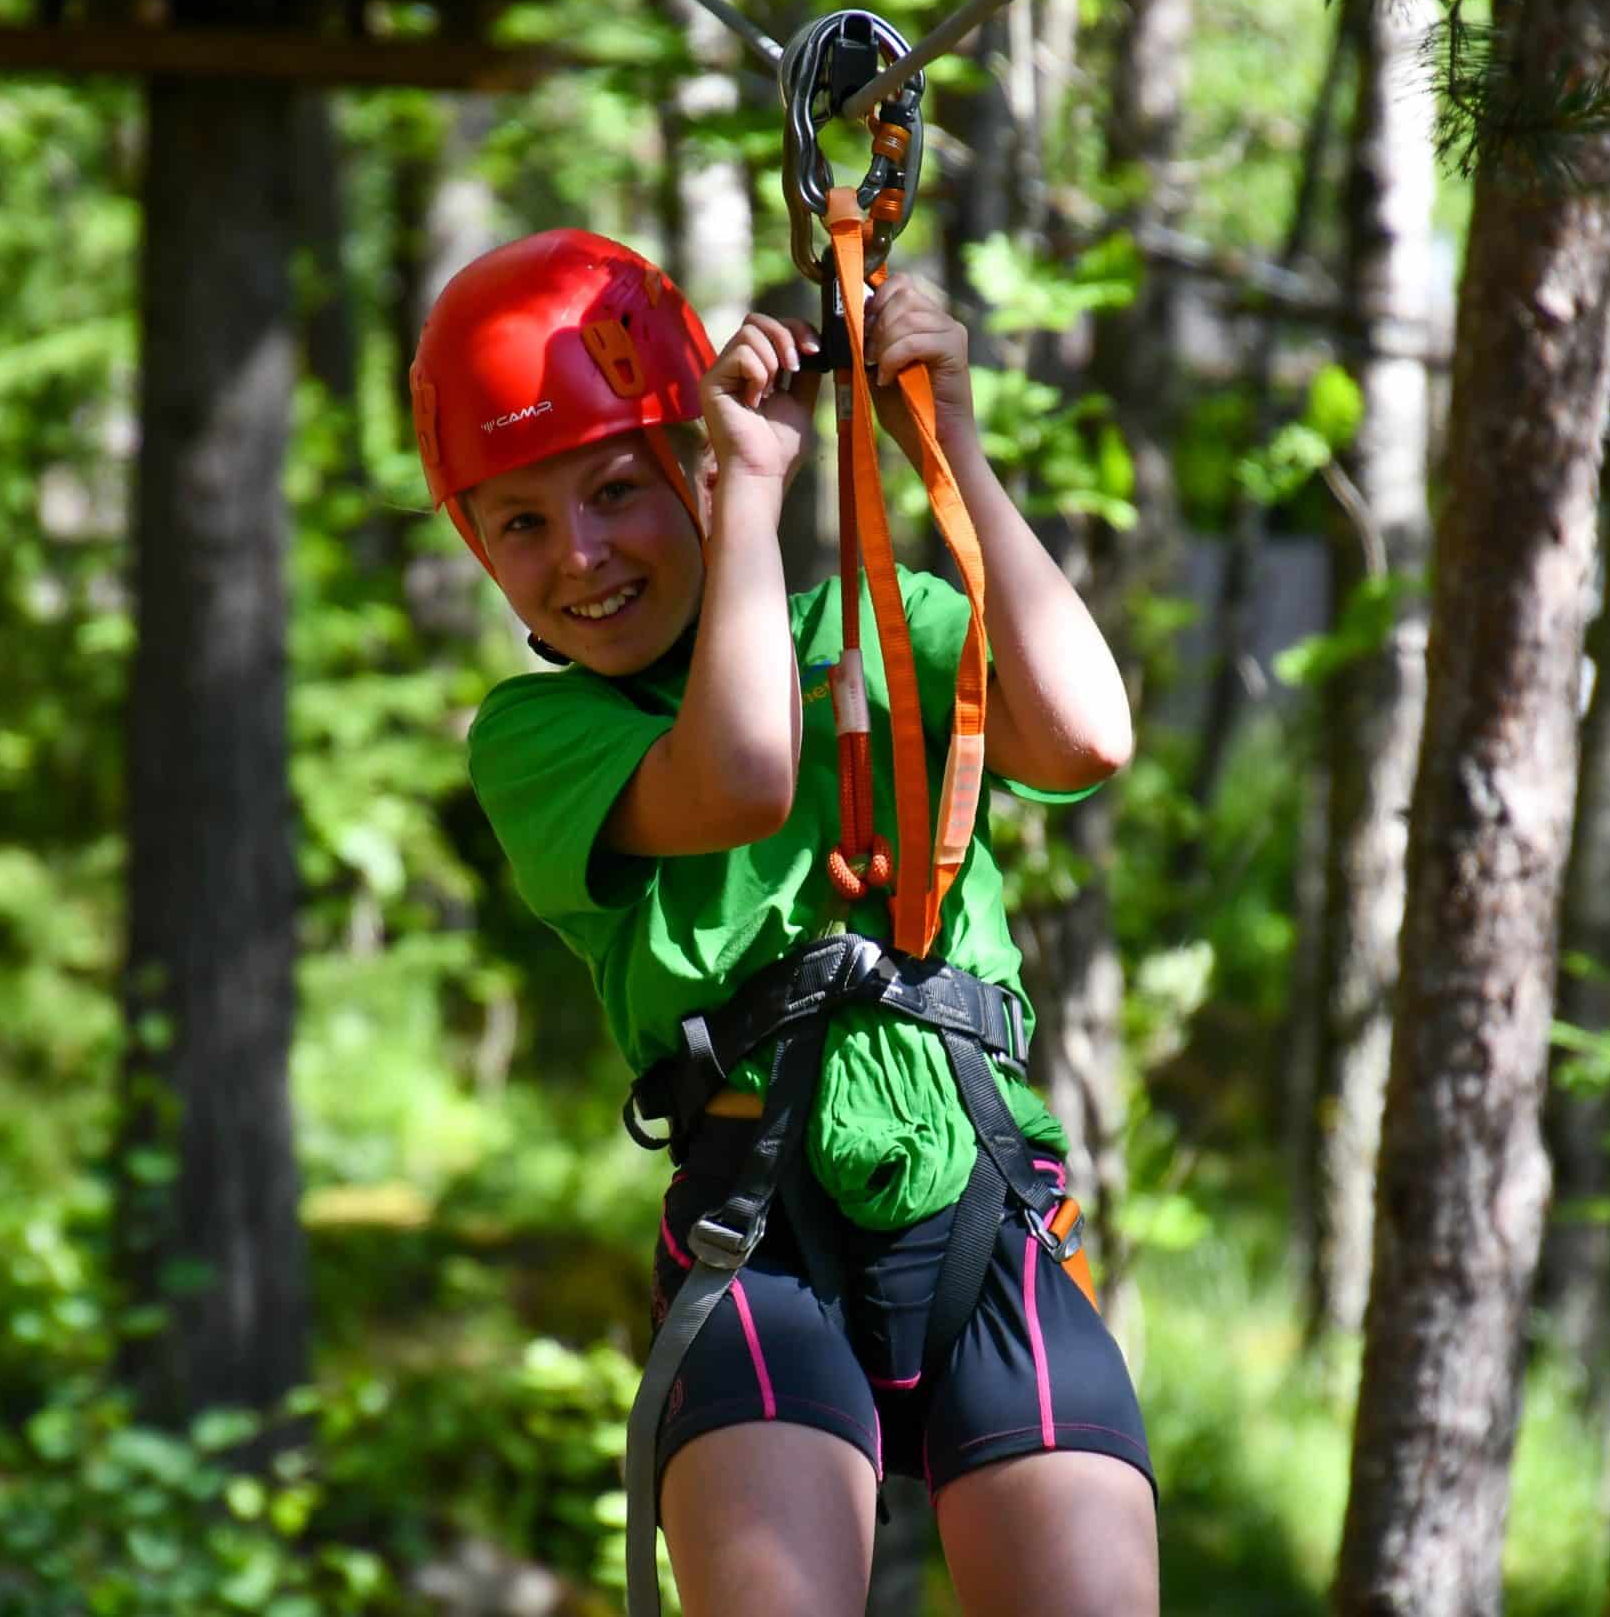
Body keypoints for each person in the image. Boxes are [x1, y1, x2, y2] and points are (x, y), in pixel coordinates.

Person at [412, 228, 1157, 1616]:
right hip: (762, 1249)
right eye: (520, 521)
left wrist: (953, 449)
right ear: (478, 547)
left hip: (989, 1216)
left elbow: (1086, 740)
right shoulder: (539, 734)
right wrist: (745, 497)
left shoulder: (884, 623)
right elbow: (743, 775)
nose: (581, 554)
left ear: (683, 461)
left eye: (619, 489)